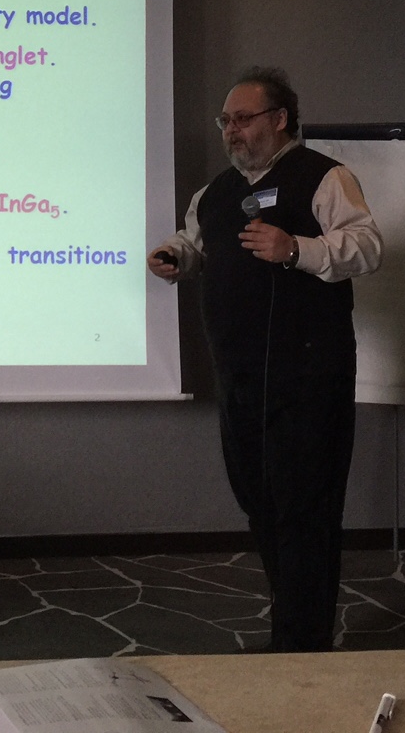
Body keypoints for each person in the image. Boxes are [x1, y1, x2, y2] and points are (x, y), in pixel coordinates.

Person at [149, 66, 382, 652]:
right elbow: (197, 244)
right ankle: (293, 627)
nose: (232, 130)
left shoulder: (324, 176)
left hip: (310, 378)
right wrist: (175, 256)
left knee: (305, 508)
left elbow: (367, 246)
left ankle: (303, 643)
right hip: (241, 378)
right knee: (261, 504)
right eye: (226, 121)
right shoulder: (215, 192)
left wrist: (296, 248)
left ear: (280, 120)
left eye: (243, 119)